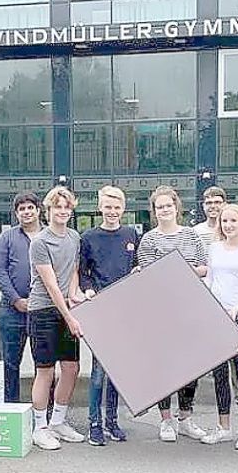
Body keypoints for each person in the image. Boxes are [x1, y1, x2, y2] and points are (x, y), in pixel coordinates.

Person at [137, 185, 209, 442]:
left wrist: (183, 270)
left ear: (176, 207)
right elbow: (146, 274)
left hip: (189, 307)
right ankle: (166, 420)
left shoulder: (191, 235)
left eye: (169, 205)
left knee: (190, 366)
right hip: (160, 311)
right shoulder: (149, 239)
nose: (165, 210)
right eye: (160, 207)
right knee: (164, 367)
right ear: (154, 211)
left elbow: (204, 267)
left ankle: (186, 418)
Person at [78, 185, 139, 446]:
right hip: (102, 308)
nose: (112, 212)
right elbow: (82, 272)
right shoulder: (89, 237)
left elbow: (137, 265)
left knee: (118, 370)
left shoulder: (131, 234)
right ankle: (95, 423)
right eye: (108, 207)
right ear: (100, 207)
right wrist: (89, 290)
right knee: (99, 372)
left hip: (125, 309)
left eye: (117, 207)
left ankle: (113, 421)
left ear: (123, 209)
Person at [29, 186, 87, 450]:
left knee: (72, 368)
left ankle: (58, 422)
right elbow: (51, 285)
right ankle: (40, 427)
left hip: (66, 310)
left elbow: (73, 271)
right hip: (44, 311)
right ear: (48, 210)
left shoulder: (74, 237)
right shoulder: (40, 242)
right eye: (57, 207)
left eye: (66, 207)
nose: (62, 211)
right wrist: (70, 317)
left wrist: (74, 295)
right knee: (45, 371)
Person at [201, 203, 238, 450]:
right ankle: (224, 426)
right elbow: (211, 280)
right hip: (217, 317)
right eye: (225, 221)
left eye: (233, 221)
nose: (228, 225)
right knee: (219, 375)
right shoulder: (214, 249)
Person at [0, 193, 42, 403]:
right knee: (9, 364)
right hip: (12, 311)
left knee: (44, 365)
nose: (26, 212)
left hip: (43, 310)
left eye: (30, 207)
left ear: (38, 210)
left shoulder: (49, 236)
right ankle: (10, 410)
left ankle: (43, 414)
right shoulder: (7, 237)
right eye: (21, 209)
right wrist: (15, 299)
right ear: (16, 214)